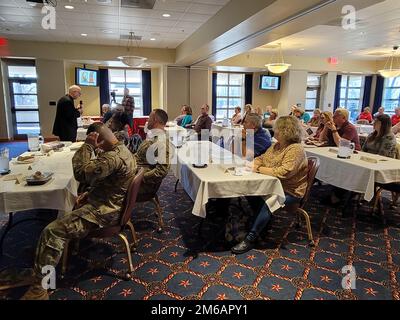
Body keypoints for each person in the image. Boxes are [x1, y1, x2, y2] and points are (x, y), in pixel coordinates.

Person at [21, 125, 137, 299]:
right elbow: (112, 185)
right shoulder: (124, 151)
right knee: (64, 215)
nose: (98, 149)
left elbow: (81, 173)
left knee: (51, 231)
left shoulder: (112, 158)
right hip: (111, 204)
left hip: (103, 213)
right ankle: (41, 270)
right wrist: (89, 194)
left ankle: (40, 287)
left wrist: (88, 146)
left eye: (98, 144)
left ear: (99, 139)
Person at [231, 116, 308, 254]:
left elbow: (284, 172)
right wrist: (258, 164)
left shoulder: (295, 149)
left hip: (290, 190)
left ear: (286, 131)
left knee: (269, 201)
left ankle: (250, 238)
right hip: (271, 184)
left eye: (276, 128)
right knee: (249, 190)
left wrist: (258, 169)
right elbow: (261, 158)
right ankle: (260, 221)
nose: (273, 131)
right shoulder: (277, 146)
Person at [134, 109, 170, 197]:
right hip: (135, 173)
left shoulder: (161, 141)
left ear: (155, 120)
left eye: (149, 118)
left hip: (142, 184)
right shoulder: (153, 136)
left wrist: (140, 178)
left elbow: (161, 171)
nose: (147, 121)